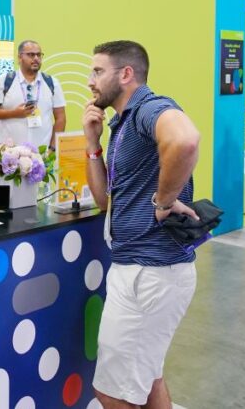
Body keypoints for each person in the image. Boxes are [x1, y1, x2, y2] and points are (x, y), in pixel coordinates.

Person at [82, 40, 200, 409]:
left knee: (111, 394)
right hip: (139, 267)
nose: (90, 81)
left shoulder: (150, 108)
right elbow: (104, 199)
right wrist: (92, 143)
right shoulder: (124, 122)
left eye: (98, 71)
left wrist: (163, 201)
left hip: (151, 272)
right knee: (148, 379)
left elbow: (184, 140)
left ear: (126, 74)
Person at [0, 40, 66, 150]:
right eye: (31, 55)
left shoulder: (52, 83)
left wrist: (52, 148)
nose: (36, 58)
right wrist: (14, 113)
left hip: (42, 157)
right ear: (20, 57)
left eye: (39, 55)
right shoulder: (4, 81)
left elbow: (61, 118)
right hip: (9, 156)